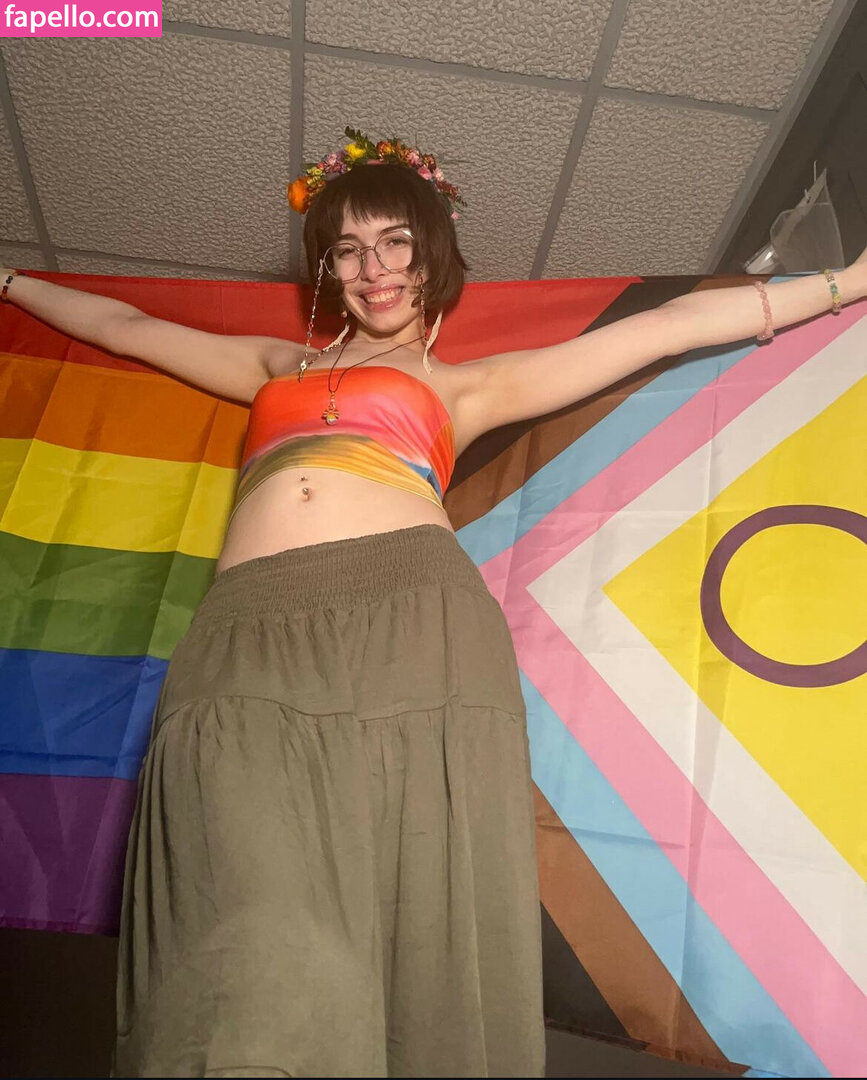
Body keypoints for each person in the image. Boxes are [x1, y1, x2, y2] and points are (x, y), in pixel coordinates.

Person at [2, 128, 865, 1079]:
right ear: (327, 268)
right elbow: (124, 327)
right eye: (347, 249)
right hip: (244, 637)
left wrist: (847, 283)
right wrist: (9, 281)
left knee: (416, 904)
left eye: (395, 243)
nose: (373, 269)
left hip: (412, 624)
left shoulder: (469, 387)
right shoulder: (275, 367)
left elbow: (664, 329)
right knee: (238, 923)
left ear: (431, 254)